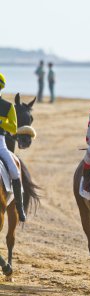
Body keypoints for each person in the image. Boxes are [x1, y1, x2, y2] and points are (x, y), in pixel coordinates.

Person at [0, 73, 26, 221]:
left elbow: (14, 128)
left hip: (0, 143)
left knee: (15, 172)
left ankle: (19, 207)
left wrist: (0, 123)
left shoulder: (8, 106)